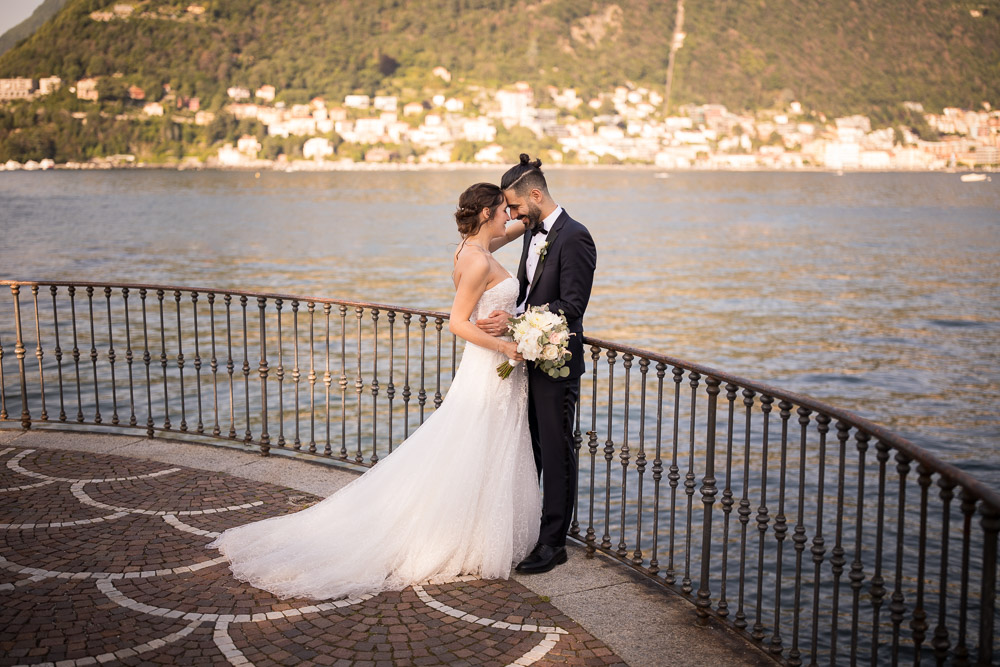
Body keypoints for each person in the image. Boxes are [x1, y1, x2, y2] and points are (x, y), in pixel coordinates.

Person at [209, 183, 541, 600]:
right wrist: (507, 344)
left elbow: (511, 231)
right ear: (489, 212)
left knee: (484, 442)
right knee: (476, 440)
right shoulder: (476, 261)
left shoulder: (473, 249)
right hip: (490, 360)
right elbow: (458, 322)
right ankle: (460, 533)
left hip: (491, 364)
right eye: (504, 210)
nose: (509, 215)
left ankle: (476, 527)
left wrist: (530, 217)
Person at [477, 154, 597, 574]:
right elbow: (528, 290)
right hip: (528, 358)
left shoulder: (576, 237)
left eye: (514, 206)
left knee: (557, 451)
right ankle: (529, 530)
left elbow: (572, 307)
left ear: (534, 193)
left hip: (557, 365)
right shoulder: (532, 232)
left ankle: (553, 544)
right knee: (530, 451)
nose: (511, 215)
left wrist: (517, 322)